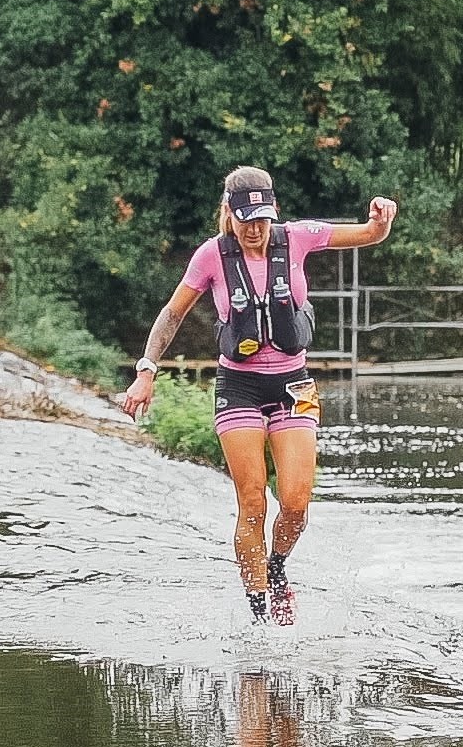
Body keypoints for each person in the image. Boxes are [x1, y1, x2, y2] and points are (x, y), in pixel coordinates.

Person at [121, 166, 398, 624]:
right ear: (228, 213)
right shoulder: (210, 256)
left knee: (295, 502)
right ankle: (258, 609)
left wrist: (381, 220)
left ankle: (277, 568)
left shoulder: (298, 237)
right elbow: (171, 315)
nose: (255, 230)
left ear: (274, 214)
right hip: (239, 386)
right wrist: (146, 370)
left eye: (262, 220)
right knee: (253, 502)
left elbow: (368, 234)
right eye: (245, 219)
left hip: (294, 385)